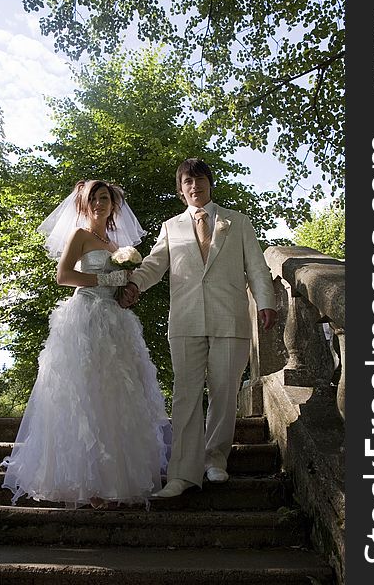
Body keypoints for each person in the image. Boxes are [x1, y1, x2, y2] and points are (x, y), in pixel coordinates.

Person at [1, 179, 170, 509]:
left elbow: (120, 283)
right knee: (86, 396)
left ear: (113, 205)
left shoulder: (116, 247)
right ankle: (87, 483)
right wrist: (105, 279)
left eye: (104, 198)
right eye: (92, 199)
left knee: (117, 397)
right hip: (85, 321)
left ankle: (113, 480)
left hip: (115, 323)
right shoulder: (79, 236)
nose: (98, 203)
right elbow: (63, 275)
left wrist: (125, 290)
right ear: (83, 204)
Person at [120, 158, 277, 498]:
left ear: (210, 183)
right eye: (188, 182)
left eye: (200, 179)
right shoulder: (170, 227)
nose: (195, 186)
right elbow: (153, 267)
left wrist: (266, 301)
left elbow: (257, 267)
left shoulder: (239, 222)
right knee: (186, 395)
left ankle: (215, 459)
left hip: (231, 319)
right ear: (181, 191)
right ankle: (182, 473)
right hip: (186, 320)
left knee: (223, 392)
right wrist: (132, 286)